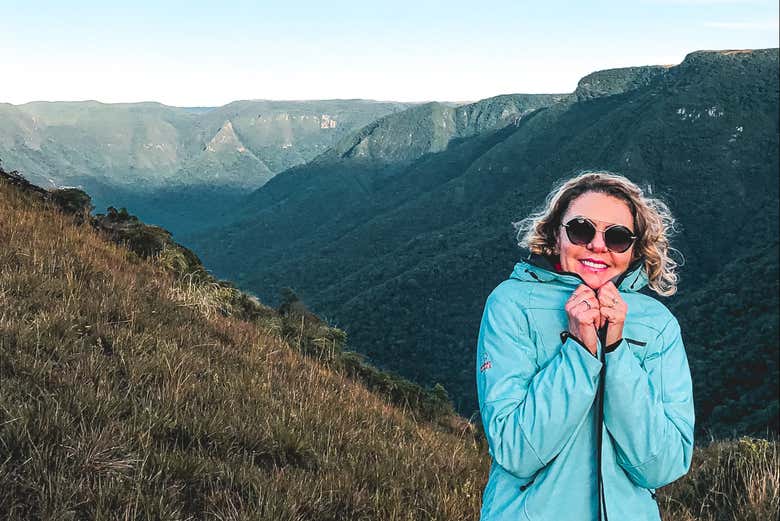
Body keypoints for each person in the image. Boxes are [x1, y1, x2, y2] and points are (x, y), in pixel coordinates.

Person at [475, 171, 694, 521]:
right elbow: (515, 450)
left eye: (618, 237)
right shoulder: (511, 304)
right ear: (554, 235)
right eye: (581, 229)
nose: (597, 245)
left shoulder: (658, 324)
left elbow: (663, 466)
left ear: (634, 249)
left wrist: (616, 349)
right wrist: (578, 349)